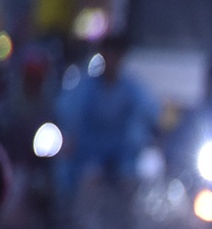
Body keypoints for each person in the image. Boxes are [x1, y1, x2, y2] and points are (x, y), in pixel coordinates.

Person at [54, 34, 156, 199]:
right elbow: (66, 112)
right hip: (88, 157)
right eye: (108, 54)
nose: (112, 60)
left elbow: (149, 115)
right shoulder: (85, 88)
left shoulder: (133, 89)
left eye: (117, 55)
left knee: (130, 182)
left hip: (122, 160)